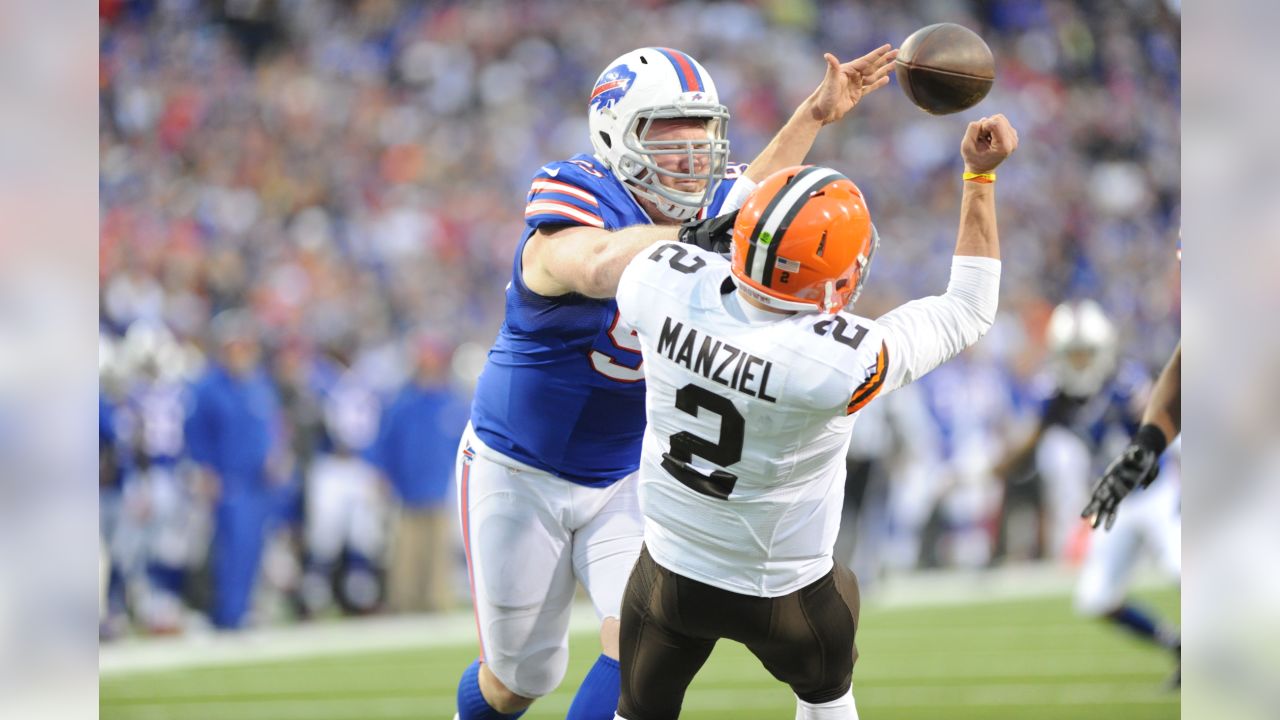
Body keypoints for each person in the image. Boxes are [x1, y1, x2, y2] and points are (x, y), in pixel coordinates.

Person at [455, 44, 899, 720]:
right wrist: (705, 228)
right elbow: (600, 261)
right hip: (521, 466)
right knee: (516, 681)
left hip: (630, 475)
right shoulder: (574, 201)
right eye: (668, 131)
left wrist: (813, 114)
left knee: (629, 641)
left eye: (701, 130)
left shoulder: (707, 207)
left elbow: (748, 194)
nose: (693, 152)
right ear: (615, 133)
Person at [612, 115, 1018, 719]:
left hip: (669, 573)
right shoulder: (833, 361)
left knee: (636, 712)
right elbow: (969, 308)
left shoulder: (654, 280)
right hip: (784, 593)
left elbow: (696, 249)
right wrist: (979, 176)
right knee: (831, 673)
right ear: (833, 283)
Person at [184, 309, 286, 630]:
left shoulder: (258, 384)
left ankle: (242, 610)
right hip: (228, 480)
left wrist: (277, 455)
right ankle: (226, 615)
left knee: (252, 550)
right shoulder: (208, 388)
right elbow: (194, 435)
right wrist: (204, 470)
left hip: (260, 482)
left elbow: (273, 426)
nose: (241, 353)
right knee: (229, 552)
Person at [377, 334, 468, 613]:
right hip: (408, 488)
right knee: (407, 551)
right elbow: (385, 443)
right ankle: (405, 604)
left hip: (442, 488)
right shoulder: (403, 404)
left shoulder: (454, 403)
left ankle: (437, 603)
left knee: (439, 551)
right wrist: (383, 477)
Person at [1081, 341, 1181, 529]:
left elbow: (1141, 405)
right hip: (1122, 496)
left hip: (1157, 490)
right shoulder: (1078, 397)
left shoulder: (1125, 381)